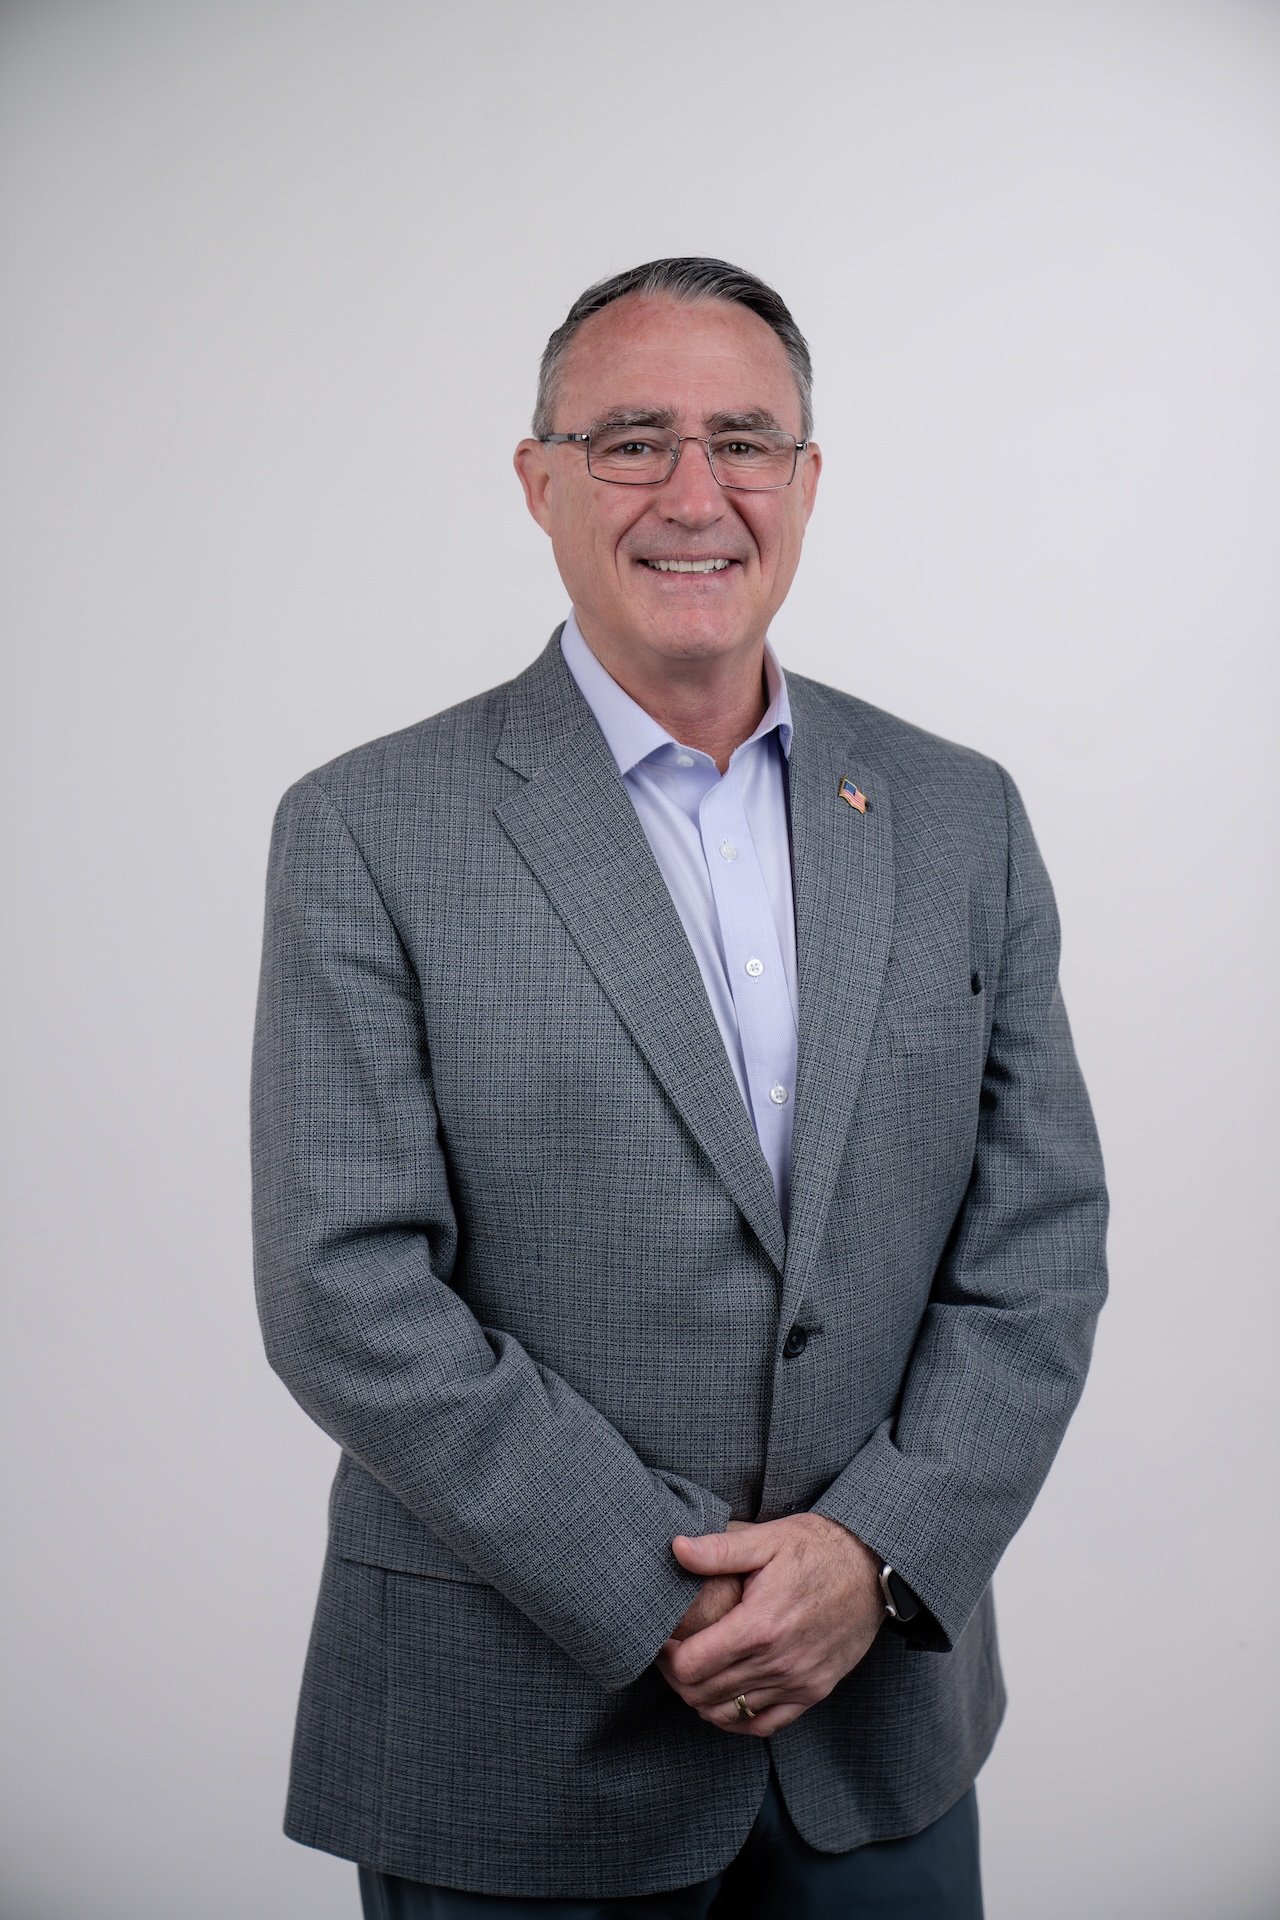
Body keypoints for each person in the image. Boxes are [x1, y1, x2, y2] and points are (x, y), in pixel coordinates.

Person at [251, 257, 1108, 1918]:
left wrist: (871, 1554)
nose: (695, 494)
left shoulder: (960, 814)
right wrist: (664, 1592)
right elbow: (343, 1290)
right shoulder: (368, 828)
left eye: (745, 442)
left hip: (882, 1730)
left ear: (807, 479)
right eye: (634, 440)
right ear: (540, 481)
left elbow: (1040, 1238)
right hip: (514, 1745)